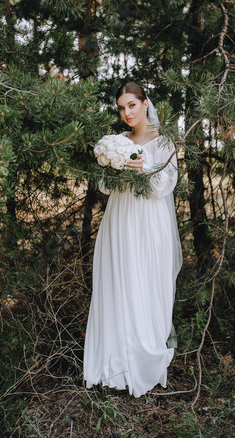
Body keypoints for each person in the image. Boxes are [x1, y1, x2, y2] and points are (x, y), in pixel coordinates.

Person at [83, 82, 183, 397]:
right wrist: (112, 170)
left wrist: (146, 167)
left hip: (150, 220)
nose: (127, 113)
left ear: (145, 103)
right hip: (120, 218)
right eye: (122, 107)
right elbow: (106, 186)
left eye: (132, 105)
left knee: (146, 281)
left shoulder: (163, 140)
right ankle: (116, 363)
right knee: (119, 282)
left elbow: (167, 183)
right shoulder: (119, 141)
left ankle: (144, 358)